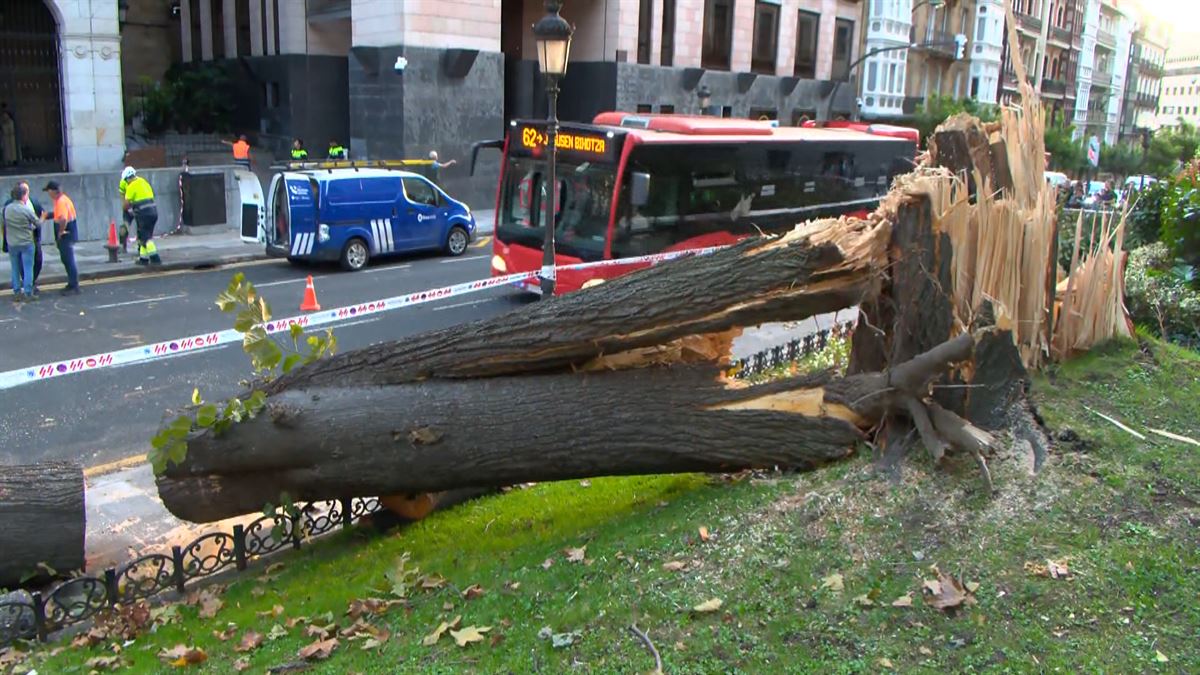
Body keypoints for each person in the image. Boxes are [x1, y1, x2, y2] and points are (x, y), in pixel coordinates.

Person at [2, 180, 44, 292]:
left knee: (15, 268)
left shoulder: (6, 208)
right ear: (23, 195)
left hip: (12, 243)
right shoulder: (26, 210)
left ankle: (16, 291)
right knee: (28, 268)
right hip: (26, 242)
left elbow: (4, 223)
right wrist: (43, 218)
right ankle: (28, 292)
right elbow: (37, 223)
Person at [42, 180, 80, 295]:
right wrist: (48, 215)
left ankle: (74, 286)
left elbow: (63, 218)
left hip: (66, 235)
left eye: (48, 191)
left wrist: (61, 231)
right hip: (70, 232)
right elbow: (59, 214)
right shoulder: (63, 199)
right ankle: (72, 283)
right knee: (67, 259)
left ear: (53, 191)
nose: (48, 194)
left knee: (68, 260)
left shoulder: (60, 202)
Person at [121, 166, 161, 266]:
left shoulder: (131, 186)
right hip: (153, 213)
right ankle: (143, 259)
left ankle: (155, 258)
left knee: (146, 238)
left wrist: (128, 209)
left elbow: (125, 205)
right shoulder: (143, 182)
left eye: (126, 180)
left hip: (143, 214)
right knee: (143, 236)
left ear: (127, 178)